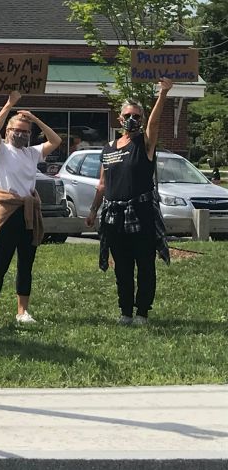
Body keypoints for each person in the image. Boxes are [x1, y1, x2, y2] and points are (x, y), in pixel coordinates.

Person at [86, 79, 173, 326]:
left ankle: (142, 312)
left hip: (141, 212)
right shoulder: (108, 148)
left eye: (136, 115)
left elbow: (155, 123)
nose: (131, 118)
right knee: (121, 266)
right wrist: (93, 209)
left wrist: (163, 93)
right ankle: (125, 311)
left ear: (141, 119)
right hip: (113, 215)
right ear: (119, 118)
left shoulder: (144, 144)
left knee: (145, 264)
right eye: (127, 115)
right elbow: (102, 183)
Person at [0, 91, 61, 325]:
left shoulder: (32, 153)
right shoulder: (1, 152)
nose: (21, 134)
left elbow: (56, 141)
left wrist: (34, 119)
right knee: (1, 264)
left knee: (26, 264)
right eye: (17, 129)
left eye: (26, 132)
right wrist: (9, 105)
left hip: (29, 214)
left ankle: (22, 311)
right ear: (8, 131)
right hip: (8, 212)